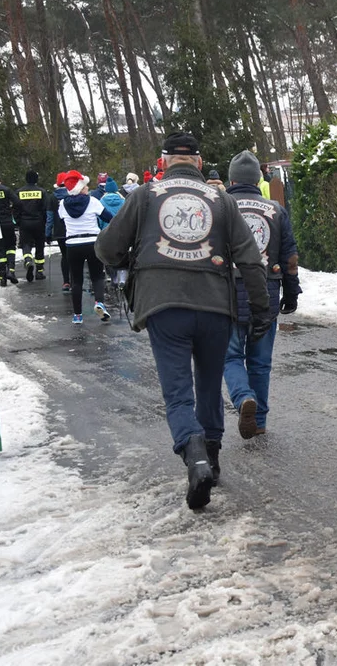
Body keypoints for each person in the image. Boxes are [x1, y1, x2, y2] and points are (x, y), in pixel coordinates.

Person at [96, 132, 273, 510]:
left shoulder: (144, 196)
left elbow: (107, 249)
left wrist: (129, 260)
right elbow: (250, 258)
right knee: (209, 385)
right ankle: (213, 455)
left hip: (164, 306)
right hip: (215, 307)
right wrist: (260, 309)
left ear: (164, 161)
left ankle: (194, 457)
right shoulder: (222, 200)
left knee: (178, 393)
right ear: (198, 160)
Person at [221, 150, 301, 439]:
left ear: (231, 179)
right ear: (259, 179)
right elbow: (290, 258)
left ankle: (243, 398)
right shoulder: (276, 210)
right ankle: (261, 420)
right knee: (260, 361)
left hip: (226, 293)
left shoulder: (221, 206)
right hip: (265, 292)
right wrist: (291, 296)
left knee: (230, 357)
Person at [58, 170, 112, 324]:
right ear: (81, 188)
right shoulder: (93, 201)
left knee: (76, 280)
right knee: (97, 276)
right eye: (85, 186)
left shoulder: (62, 204)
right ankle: (99, 302)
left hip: (73, 244)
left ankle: (77, 315)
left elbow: (63, 219)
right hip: (92, 242)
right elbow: (108, 217)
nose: (88, 188)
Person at [16, 170, 49, 282]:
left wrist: (18, 221)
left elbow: (16, 208)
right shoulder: (42, 192)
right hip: (39, 222)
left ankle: (28, 260)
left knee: (25, 244)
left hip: (24, 222)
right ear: (36, 179)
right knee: (40, 246)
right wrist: (45, 222)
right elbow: (45, 209)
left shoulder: (19, 192)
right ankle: (39, 272)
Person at [46, 172, 72, 292]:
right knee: (73, 256)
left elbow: (50, 217)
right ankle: (75, 280)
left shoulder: (52, 197)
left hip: (59, 231)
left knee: (65, 256)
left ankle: (66, 281)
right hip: (72, 230)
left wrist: (48, 233)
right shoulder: (71, 194)